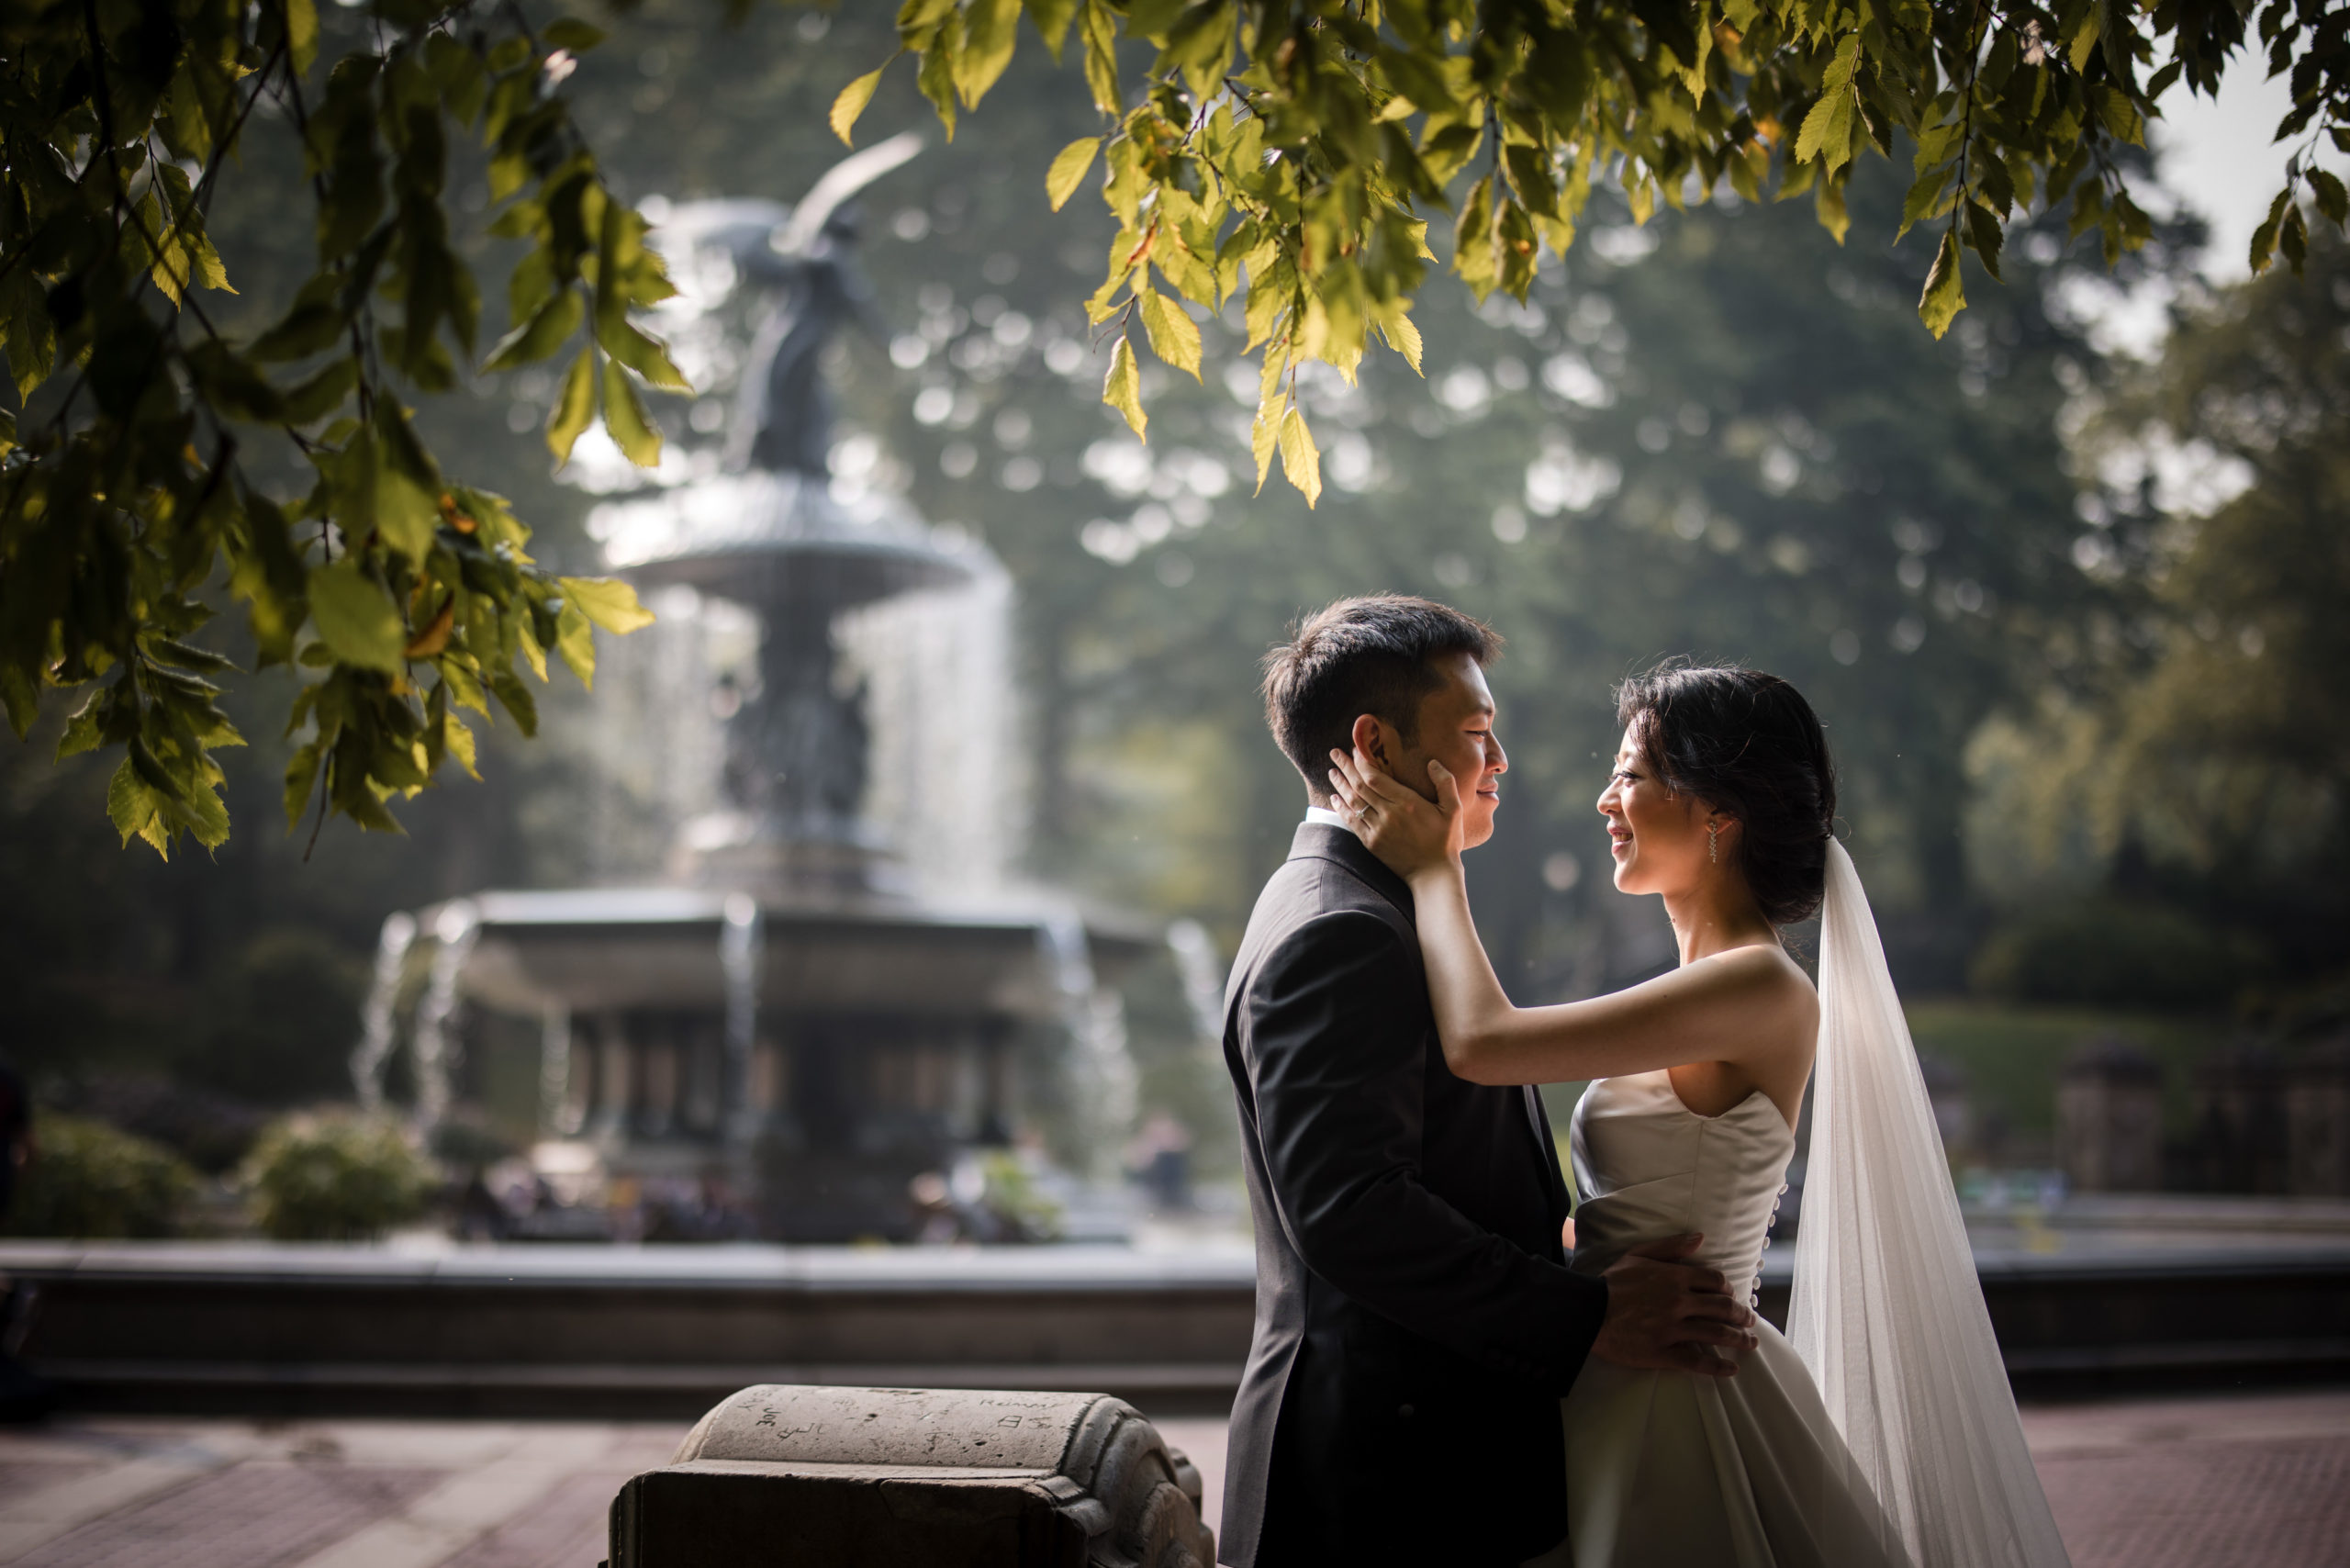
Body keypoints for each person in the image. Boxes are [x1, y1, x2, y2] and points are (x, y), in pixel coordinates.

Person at [1327, 659, 2072, 1568]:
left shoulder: (1758, 983)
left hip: (1675, 1398)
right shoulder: (1704, 986)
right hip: (1621, 1361)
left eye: (1632, 775)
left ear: (1719, 812)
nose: (1605, 799)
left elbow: (1484, 1042)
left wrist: (1432, 866)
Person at [1218, 599, 1758, 1568]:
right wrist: (1586, 1315)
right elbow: (1350, 1209)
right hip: (1387, 1484)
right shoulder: (1343, 928)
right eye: (1475, 734)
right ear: (1374, 744)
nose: (1498, 761)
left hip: (1424, 1461)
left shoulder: (1364, 901)